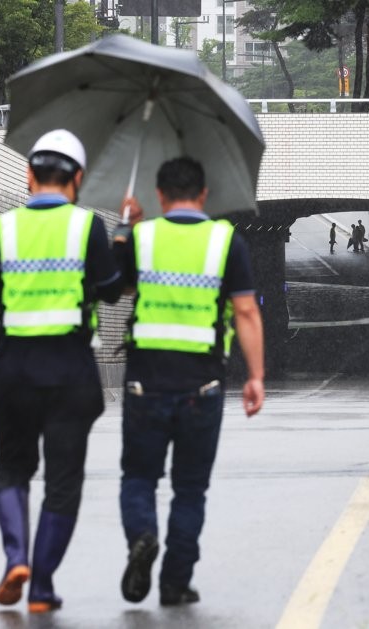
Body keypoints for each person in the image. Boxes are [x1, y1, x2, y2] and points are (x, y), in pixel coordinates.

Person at [0, 129, 125, 613]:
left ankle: (15, 558)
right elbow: (111, 291)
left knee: (10, 468)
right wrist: (121, 240)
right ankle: (43, 587)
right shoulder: (87, 227)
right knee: (63, 482)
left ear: (30, 176)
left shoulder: (0, 230)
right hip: (71, 371)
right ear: (78, 179)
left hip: (14, 371)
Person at [112, 157, 265, 607]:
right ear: (204, 195)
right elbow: (246, 311)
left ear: (159, 195)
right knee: (190, 488)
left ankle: (142, 535)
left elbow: (114, 287)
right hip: (203, 386)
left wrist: (124, 230)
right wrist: (255, 375)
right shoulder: (226, 242)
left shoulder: (143, 237)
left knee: (139, 477)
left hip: (145, 383)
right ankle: (175, 582)